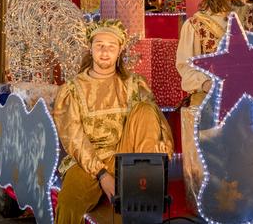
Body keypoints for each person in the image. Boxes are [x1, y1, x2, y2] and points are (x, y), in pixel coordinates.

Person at [53, 20, 174, 224]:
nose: (105, 52)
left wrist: (164, 148)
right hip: (87, 161)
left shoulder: (134, 84)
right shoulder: (73, 89)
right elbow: (74, 137)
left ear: (119, 52)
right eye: (99, 45)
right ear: (90, 48)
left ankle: (145, 174)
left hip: (125, 156)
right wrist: (102, 174)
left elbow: (155, 120)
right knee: (68, 203)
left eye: (111, 47)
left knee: (145, 109)